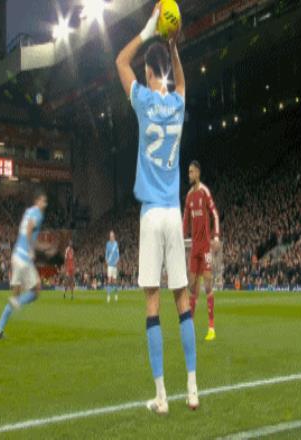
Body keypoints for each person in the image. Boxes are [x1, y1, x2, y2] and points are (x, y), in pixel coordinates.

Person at [116, 3, 198, 414]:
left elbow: (119, 61)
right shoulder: (177, 105)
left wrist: (149, 30)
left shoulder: (144, 102)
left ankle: (162, 397)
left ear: (149, 72)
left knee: (152, 303)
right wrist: (173, 46)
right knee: (182, 300)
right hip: (173, 213)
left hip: (151, 213)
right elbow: (181, 82)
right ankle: (193, 388)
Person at [0, 190, 48, 339]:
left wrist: (39, 246)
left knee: (16, 294)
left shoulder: (27, 212)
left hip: (16, 255)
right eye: (43, 201)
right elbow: (29, 228)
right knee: (36, 290)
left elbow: (23, 230)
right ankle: (17, 301)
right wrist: (31, 248)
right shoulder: (38, 213)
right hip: (24, 257)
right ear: (37, 201)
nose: (45, 204)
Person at [183, 161, 221, 341]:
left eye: (191, 172)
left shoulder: (204, 191)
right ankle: (190, 328)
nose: (189, 174)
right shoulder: (189, 196)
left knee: (208, 284)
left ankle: (211, 327)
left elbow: (215, 214)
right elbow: (185, 221)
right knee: (192, 287)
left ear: (198, 172)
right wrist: (182, 238)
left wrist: (216, 237)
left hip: (205, 246)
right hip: (194, 248)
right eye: (188, 172)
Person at [105, 230, 120, 303]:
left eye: (112, 236)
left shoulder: (116, 244)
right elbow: (106, 253)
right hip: (110, 265)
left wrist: (116, 262)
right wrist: (106, 260)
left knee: (114, 281)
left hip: (114, 265)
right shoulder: (107, 244)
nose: (111, 237)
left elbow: (118, 255)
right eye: (110, 236)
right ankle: (108, 296)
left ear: (114, 237)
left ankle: (116, 295)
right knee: (109, 280)